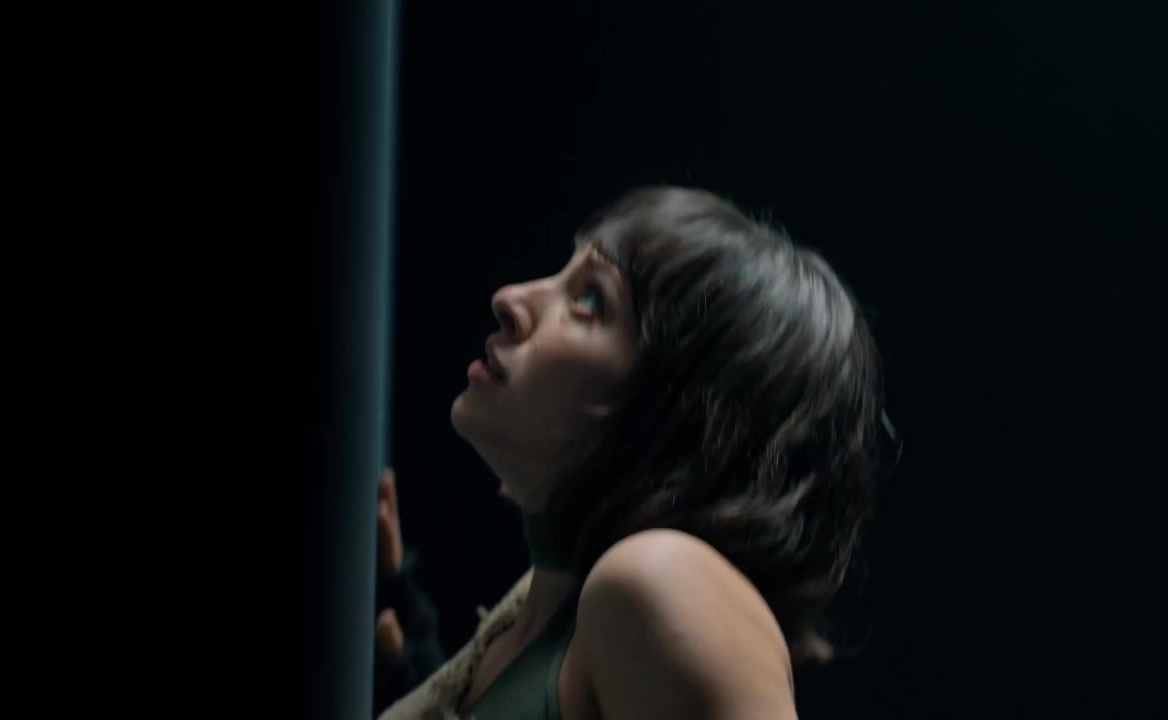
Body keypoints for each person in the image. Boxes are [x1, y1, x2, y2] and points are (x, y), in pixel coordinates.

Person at [376, 186, 892, 719]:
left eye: (590, 300)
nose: (510, 299)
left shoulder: (656, 580)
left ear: (683, 416)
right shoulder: (538, 605)